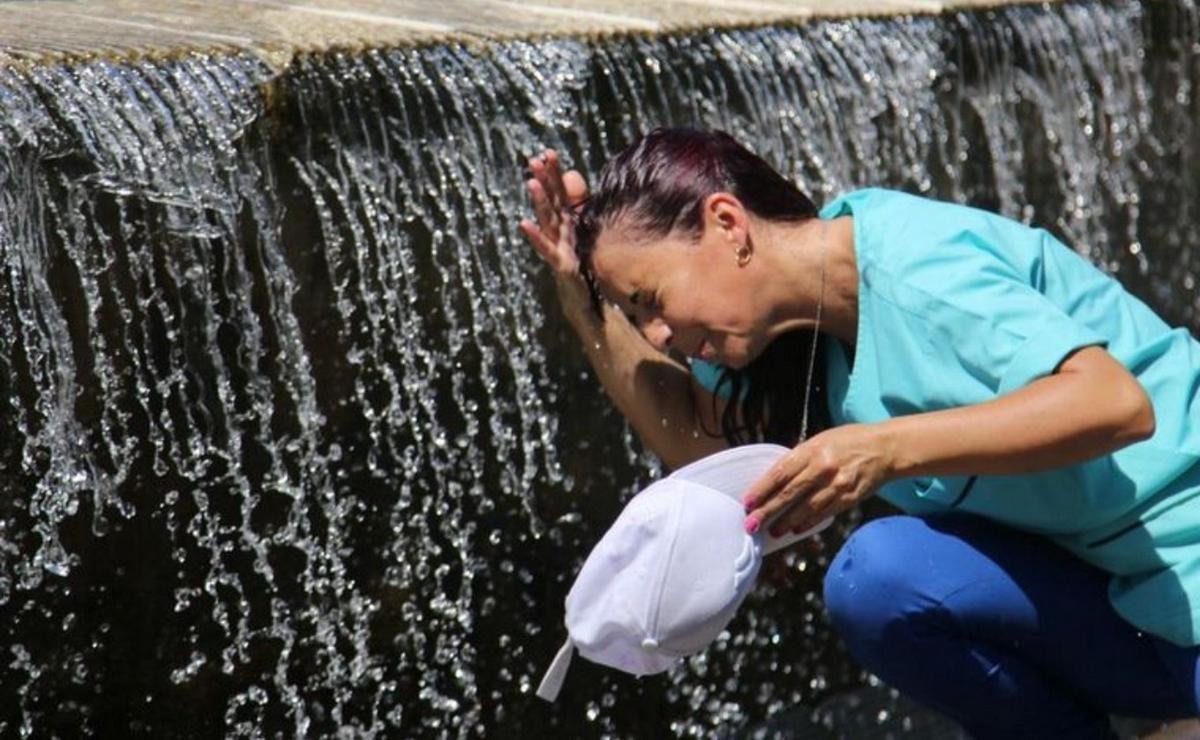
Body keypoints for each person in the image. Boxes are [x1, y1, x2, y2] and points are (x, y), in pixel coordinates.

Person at [520, 127, 1200, 738]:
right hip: (1128, 608)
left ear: (727, 223)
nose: (658, 336)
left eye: (650, 302)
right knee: (879, 581)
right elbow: (691, 439)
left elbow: (1115, 404)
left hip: (1188, 572)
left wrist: (883, 447)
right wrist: (580, 298)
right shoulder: (805, 344)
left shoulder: (914, 264)